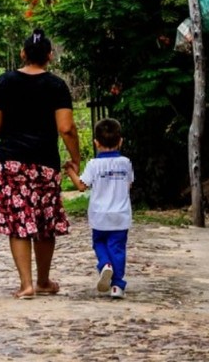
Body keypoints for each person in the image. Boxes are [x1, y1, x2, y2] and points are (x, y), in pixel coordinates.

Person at [0, 28, 81, 299]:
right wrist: (76, 159)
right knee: (44, 220)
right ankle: (43, 281)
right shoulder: (56, 86)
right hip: (45, 163)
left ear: (22, 53)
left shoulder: (4, 82)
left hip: (10, 163)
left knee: (18, 221)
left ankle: (26, 285)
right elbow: (66, 128)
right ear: (50, 56)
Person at [64, 118, 134, 299]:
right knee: (117, 248)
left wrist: (70, 171)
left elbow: (81, 186)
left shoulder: (93, 164)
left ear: (96, 143)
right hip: (120, 215)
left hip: (99, 215)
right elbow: (129, 184)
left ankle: (105, 264)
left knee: (99, 243)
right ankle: (117, 286)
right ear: (120, 141)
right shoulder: (126, 163)